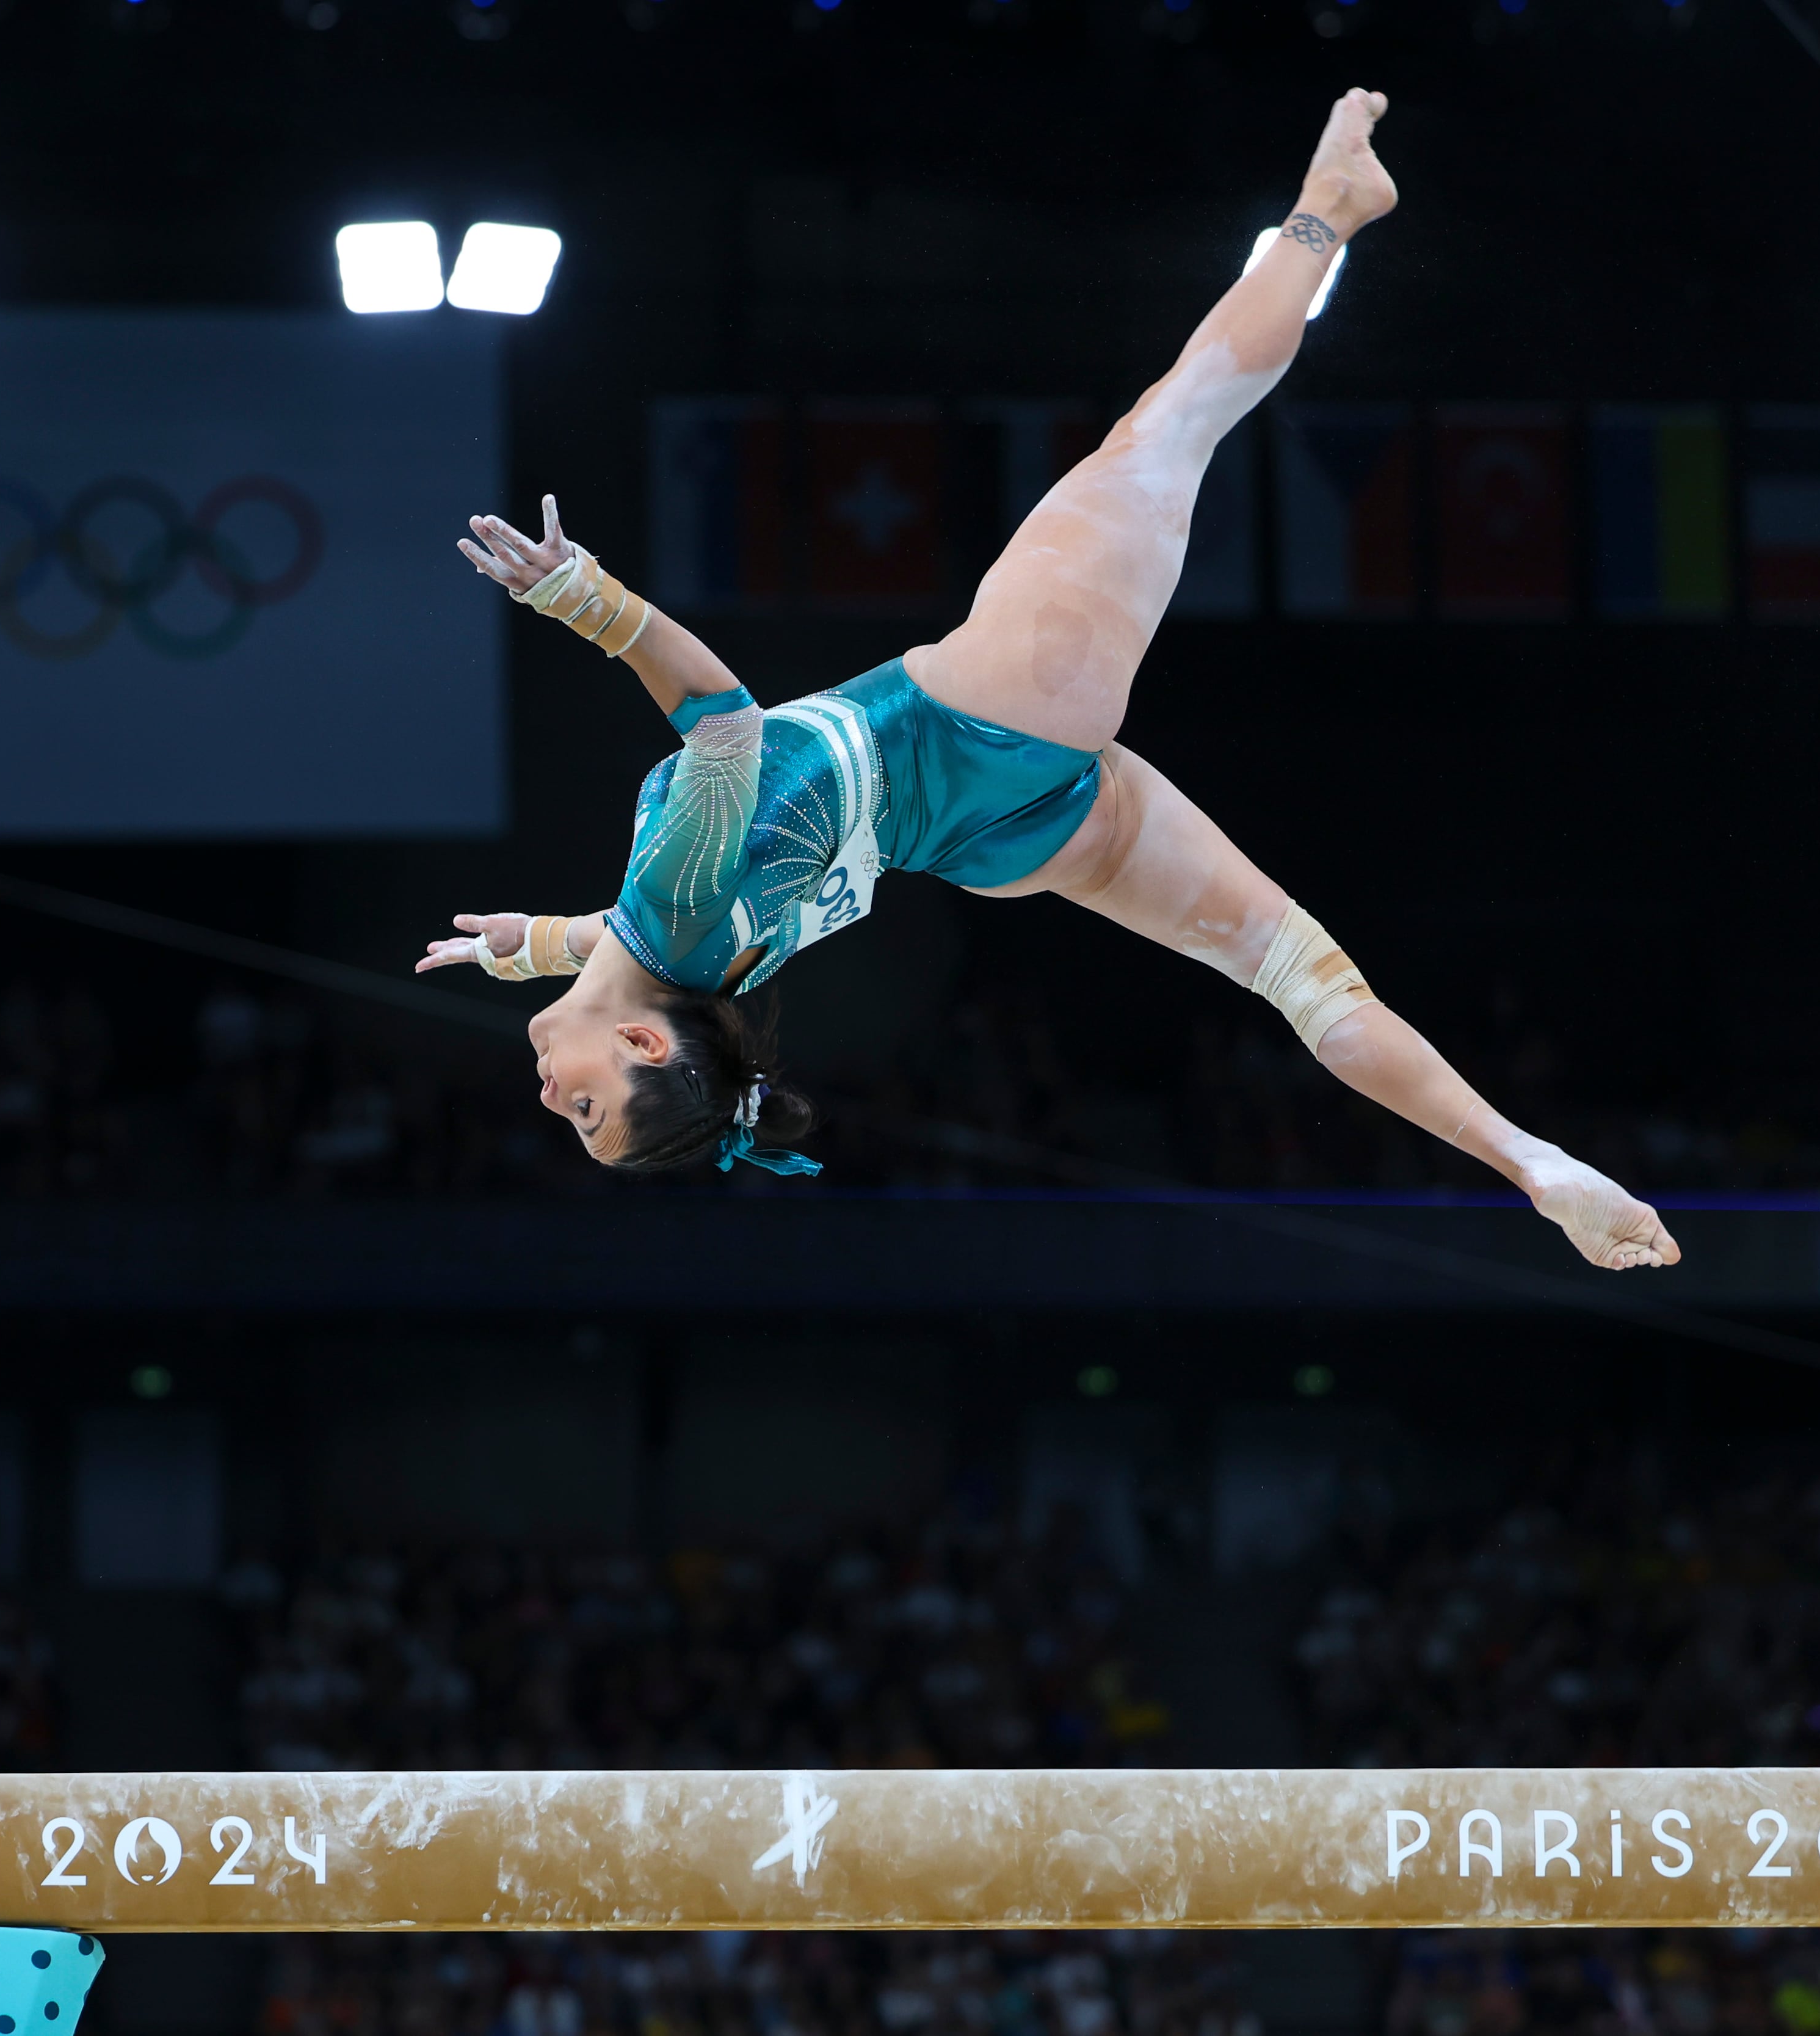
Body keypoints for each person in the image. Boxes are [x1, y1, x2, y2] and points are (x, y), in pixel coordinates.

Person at [418, 89, 1680, 1272]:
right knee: (1172, 423)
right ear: (644, 1042)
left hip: (1002, 846)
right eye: (588, 1107)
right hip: (983, 712)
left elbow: (641, 938)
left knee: (1300, 978)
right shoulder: (672, 908)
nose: (552, 1095)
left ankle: (1535, 1163)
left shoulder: (692, 963)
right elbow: (724, 729)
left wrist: (536, 947)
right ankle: (1332, 208)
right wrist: (581, 596)